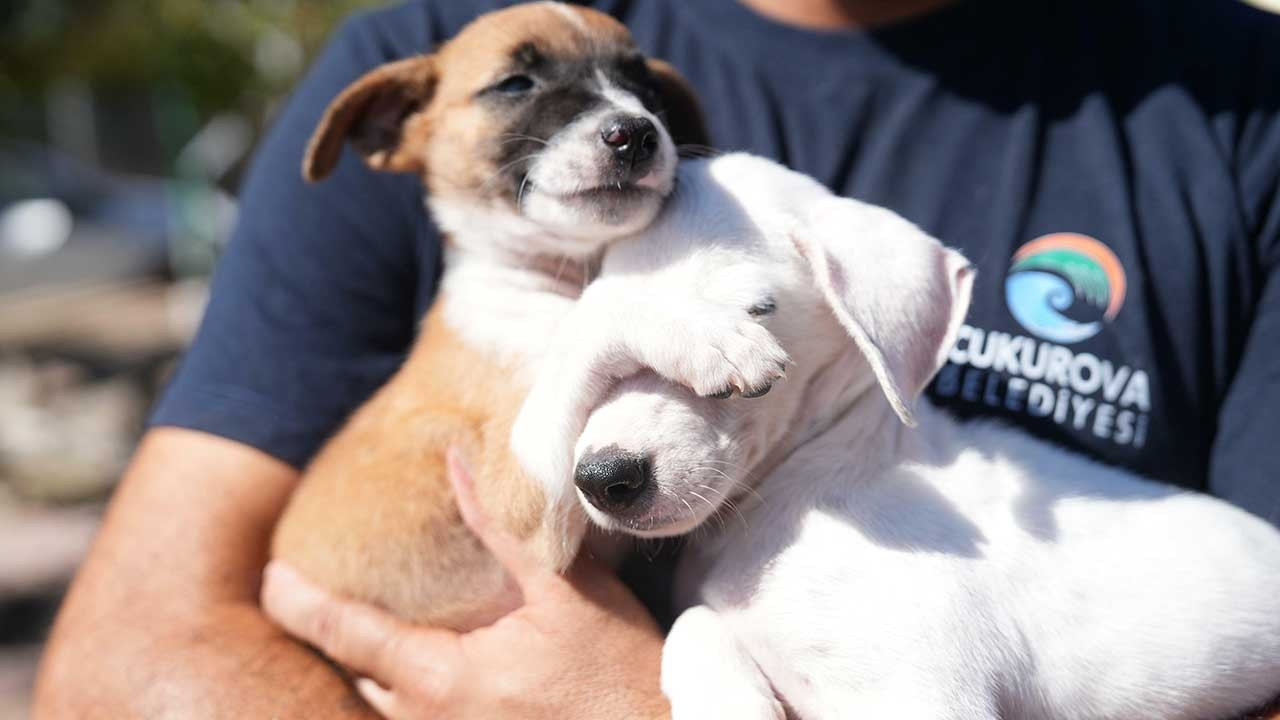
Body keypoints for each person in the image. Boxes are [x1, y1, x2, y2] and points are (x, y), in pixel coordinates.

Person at [33, 0, 1280, 717]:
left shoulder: (1237, 100)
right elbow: (122, 661)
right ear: (398, 133)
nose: (618, 121)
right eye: (527, 87)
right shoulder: (424, 43)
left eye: (635, 92)